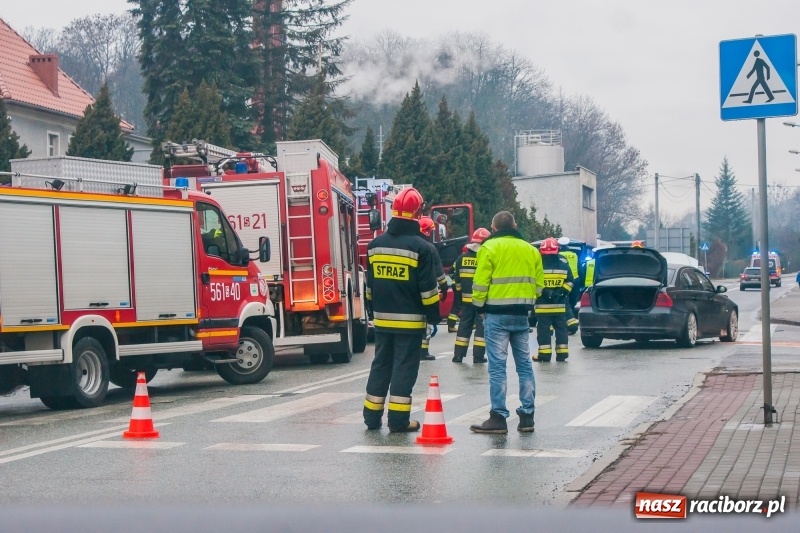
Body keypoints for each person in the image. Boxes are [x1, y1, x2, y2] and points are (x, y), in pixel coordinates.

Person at [363, 188, 441, 433]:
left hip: (382, 322)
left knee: (380, 366)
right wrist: (434, 317)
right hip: (410, 323)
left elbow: (369, 287)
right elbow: (428, 291)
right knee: (404, 369)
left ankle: (371, 417)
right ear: (418, 213)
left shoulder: (375, 245)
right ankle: (398, 421)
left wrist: (373, 313)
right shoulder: (422, 248)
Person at [470, 211, 543, 434]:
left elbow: (480, 283)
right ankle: (527, 416)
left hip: (496, 316)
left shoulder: (489, 248)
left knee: (497, 368)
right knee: (525, 366)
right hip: (521, 315)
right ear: (515, 225)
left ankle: (498, 418)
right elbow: (539, 286)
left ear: (493, 228)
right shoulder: (531, 250)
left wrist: (479, 307)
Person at [452, 227, 491, 363]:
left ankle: (458, 355)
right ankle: (478, 356)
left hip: (466, 300)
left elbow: (457, 281)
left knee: (464, 326)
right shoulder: (485, 257)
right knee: (481, 328)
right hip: (482, 301)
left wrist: (459, 297)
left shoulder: (461, 258)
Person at [534, 237, 574, 362]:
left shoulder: (537, 267)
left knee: (544, 331)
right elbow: (570, 282)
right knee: (561, 330)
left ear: (541, 251)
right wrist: (561, 292)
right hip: (560, 306)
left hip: (542, 307)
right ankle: (562, 354)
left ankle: (544, 355)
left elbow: (533, 284)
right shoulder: (564, 266)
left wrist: (545, 292)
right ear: (557, 250)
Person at [418, 215, 447, 361]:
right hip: (427, 292)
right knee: (426, 321)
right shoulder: (430, 248)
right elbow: (439, 272)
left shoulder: (410, 245)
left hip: (408, 292)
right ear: (428, 231)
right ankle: (423, 351)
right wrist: (444, 287)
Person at [557, 238, 580, 335]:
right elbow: (579, 267)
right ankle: (572, 320)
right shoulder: (574, 255)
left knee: (565, 302)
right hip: (575, 280)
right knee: (572, 302)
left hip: (564, 281)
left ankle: (567, 322)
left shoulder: (559, 255)